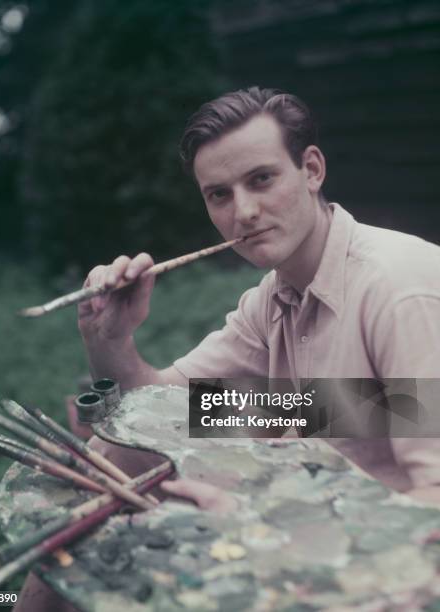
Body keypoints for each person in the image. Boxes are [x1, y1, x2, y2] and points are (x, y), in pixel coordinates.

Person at [79, 87, 440, 506]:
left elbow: (434, 502)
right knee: (113, 454)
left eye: (261, 179)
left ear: (311, 169)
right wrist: (110, 339)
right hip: (326, 511)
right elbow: (171, 412)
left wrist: (252, 521)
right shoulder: (275, 297)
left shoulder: (400, 290)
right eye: (220, 194)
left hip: (400, 547)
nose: (243, 212)